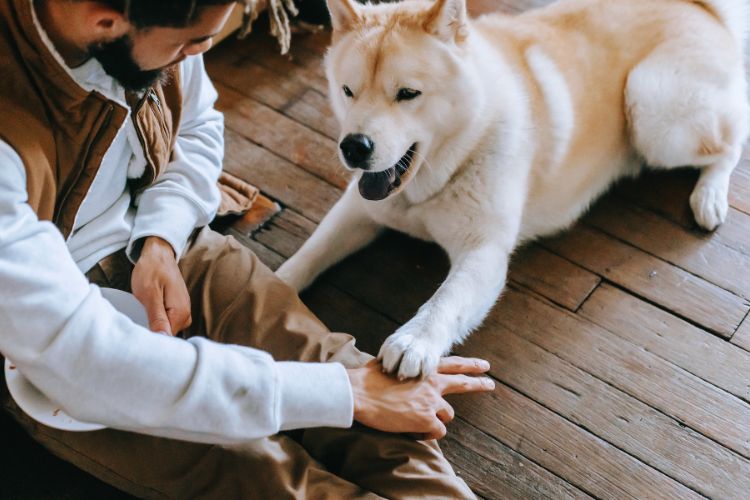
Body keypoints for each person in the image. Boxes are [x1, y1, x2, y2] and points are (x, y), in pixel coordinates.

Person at [0, 0, 495, 497]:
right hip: (33, 348)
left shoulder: (159, 22)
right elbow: (84, 359)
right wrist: (341, 393)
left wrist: (161, 238)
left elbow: (196, 125)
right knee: (267, 477)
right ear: (102, 22)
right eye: (190, 44)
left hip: (169, 250)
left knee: (365, 393)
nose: (199, 54)